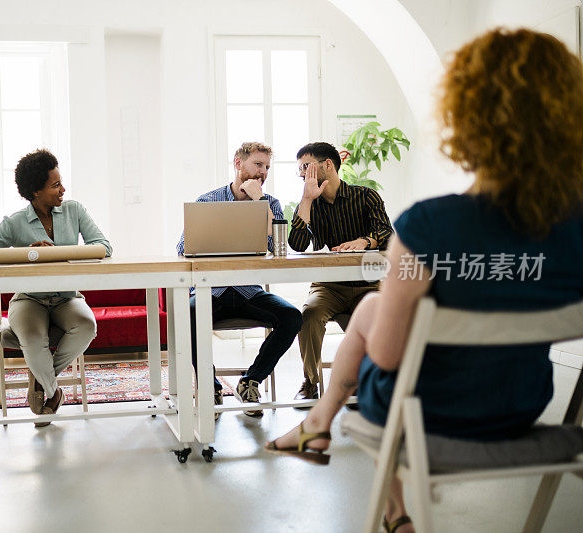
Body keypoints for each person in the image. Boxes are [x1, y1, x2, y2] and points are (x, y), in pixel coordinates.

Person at [266, 28, 583, 533]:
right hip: (524, 404)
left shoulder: (428, 227)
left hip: (426, 413)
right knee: (370, 312)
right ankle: (325, 437)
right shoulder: (575, 229)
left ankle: (356, 469)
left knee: (374, 327)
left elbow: (388, 356)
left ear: (467, 119)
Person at [0, 148, 112, 427]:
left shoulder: (74, 210)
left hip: (66, 298)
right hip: (28, 300)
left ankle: (39, 374)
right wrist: (26, 255)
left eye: (61, 182)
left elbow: (104, 247)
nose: (63, 189)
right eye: (55, 185)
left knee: (87, 326)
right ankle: (52, 391)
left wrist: (56, 253)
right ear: (35, 192)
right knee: (34, 340)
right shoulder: (15, 223)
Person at [177, 141, 303, 417]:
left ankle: (250, 381)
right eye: (258, 165)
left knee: (292, 316)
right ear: (238, 163)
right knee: (188, 313)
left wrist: (260, 202)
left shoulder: (270, 204)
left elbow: (278, 247)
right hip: (213, 291)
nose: (263, 172)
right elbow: (182, 248)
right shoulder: (208, 201)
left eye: (267, 167)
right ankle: (209, 387)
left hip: (250, 292)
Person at [288, 142, 393, 404]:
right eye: (299, 169)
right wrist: (307, 199)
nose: (302, 173)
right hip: (328, 287)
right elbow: (298, 244)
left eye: (306, 167)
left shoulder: (366, 196)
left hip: (368, 284)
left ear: (328, 165)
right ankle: (310, 382)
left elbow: (387, 234)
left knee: (378, 316)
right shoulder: (309, 204)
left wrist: (364, 241)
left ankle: (364, 380)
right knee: (309, 315)